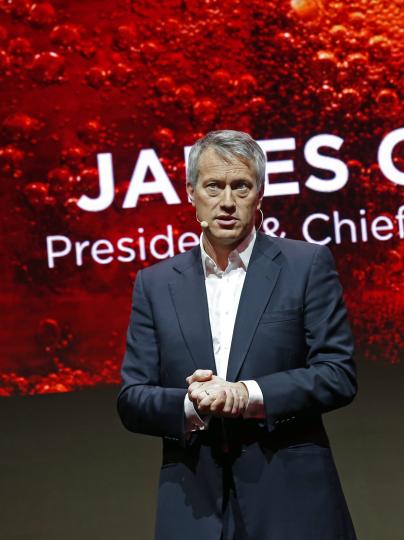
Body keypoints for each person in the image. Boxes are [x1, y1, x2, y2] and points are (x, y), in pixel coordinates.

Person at [117, 129, 357, 540]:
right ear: (191, 192)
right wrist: (192, 405)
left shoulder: (306, 265)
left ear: (260, 194)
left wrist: (248, 394)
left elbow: (338, 374)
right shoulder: (155, 284)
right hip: (194, 508)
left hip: (293, 505)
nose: (227, 202)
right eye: (214, 186)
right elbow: (132, 398)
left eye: (240, 187)